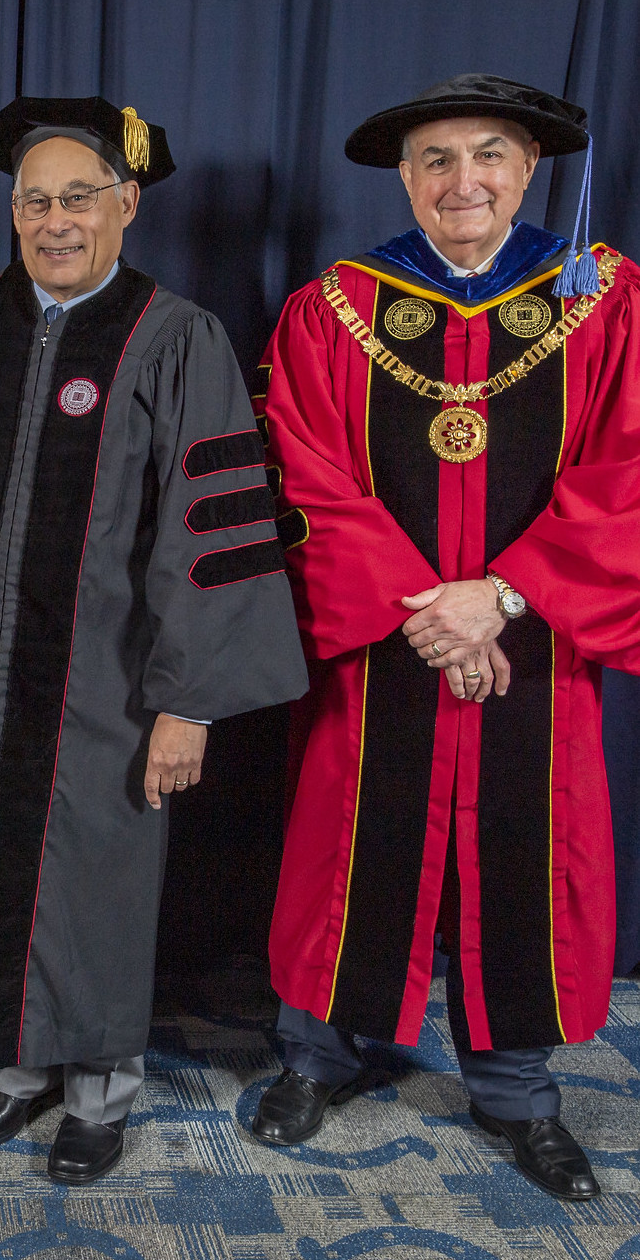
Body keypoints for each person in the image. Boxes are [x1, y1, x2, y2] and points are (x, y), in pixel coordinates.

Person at [0, 96, 307, 1185]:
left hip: (112, 682)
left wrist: (189, 701)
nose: (54, 218)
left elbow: (207, 531)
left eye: (79, 196)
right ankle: (17, 1063)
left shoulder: (173, 337)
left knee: (99, 874)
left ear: (126, 206)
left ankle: (99, 1086)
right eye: (34, 199)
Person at [252, 75, 640, 1201]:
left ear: (529, 170)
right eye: (433, 159)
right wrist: (427, 609)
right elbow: (301, 474)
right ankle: (315, 1057)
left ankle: (517, 1089)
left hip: (536, 647)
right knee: (345, 837)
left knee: (528, 843)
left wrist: (502, 596)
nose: (459, 181)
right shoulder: (337, 309)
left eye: (487, 156)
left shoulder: (605, 300)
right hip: (384, 647)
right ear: (402, 176)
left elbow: (629, 468)